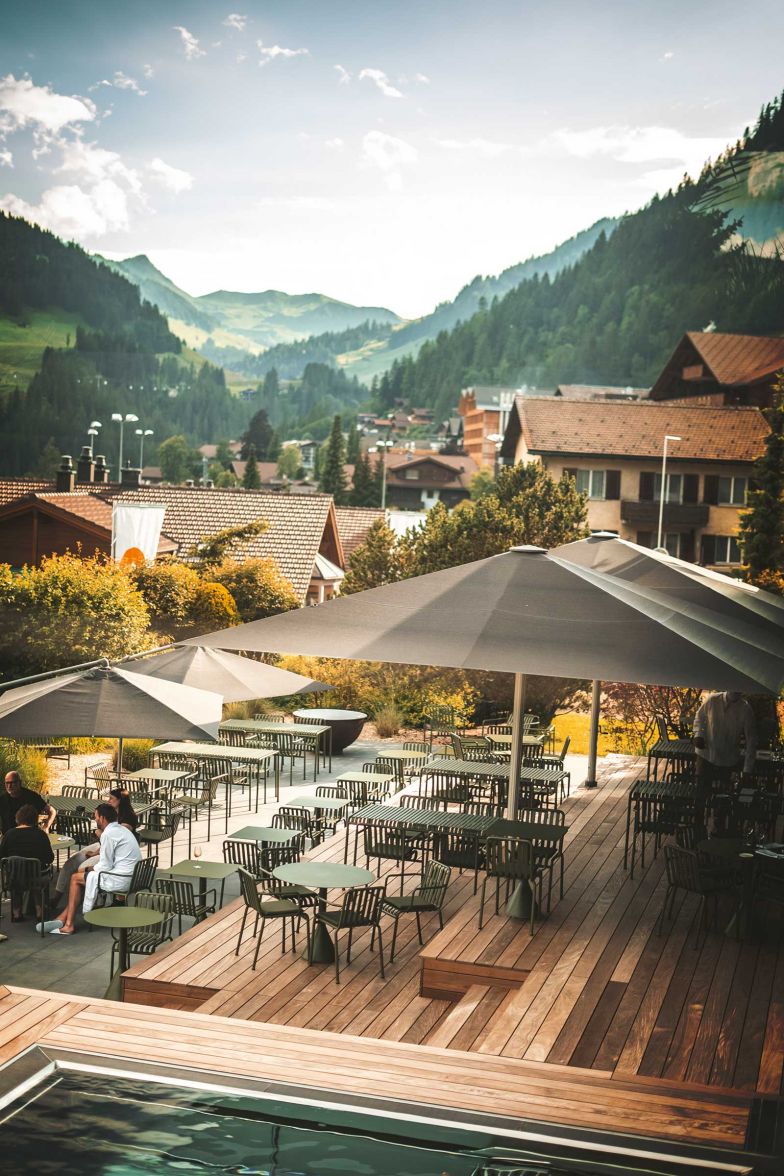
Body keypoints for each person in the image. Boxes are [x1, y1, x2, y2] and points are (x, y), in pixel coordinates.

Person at [40, 803, 141, 936]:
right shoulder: (122, 830)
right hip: (135, 876)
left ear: (103, 818)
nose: (95, 820)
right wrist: (88, 870)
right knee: (82, 877)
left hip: (122, 880)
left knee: (76, 878)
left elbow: (105, 866)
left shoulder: (109, 834)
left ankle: (69, 925)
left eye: (96, 817)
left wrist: (87, 869)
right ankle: (62, 918)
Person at [52, 788, 139, 905]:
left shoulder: (129, 817)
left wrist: (99, 835)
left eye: (112, 799)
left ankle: (82, 902)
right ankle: (57, 897)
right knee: (71, 862)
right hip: (102, 846)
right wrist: (95, 851)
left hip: (115, 854)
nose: (109, 801)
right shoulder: (111, 813)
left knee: (82, 868)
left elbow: (112, 843)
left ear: (120, 800)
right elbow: (106, 842)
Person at [693, 691, 757, 834]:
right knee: (701, 793)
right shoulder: (712, 700)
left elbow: (751, 741)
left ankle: (718, 829)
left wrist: (747, 769)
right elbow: (699, 718)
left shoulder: (745, 709)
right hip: (706, 755)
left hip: (728, 759)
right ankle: (697, 828)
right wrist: (699, 734)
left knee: (724, 797)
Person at [0, 804, 55, 921]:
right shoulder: (40, 835)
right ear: (35, 819)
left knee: (16, 873)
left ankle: (17, 913)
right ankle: (40, 910)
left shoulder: (9, 834)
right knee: (36, 878)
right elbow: (49, 858)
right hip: (35, 879)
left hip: (13, 878)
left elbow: (2, 857)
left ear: (18, 817)